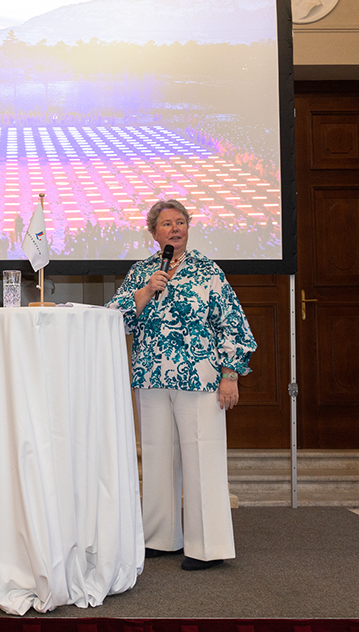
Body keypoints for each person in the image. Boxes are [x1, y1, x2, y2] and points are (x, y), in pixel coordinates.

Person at [106, 199, 256, 571]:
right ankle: (161, 537)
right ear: (153, 232)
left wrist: (230, 374)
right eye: (167, 224)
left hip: (199, 378)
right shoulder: (143, 271)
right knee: (158, 456)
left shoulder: (208, 271)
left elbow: (233, 324)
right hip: (151, 375)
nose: (175, 229)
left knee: (202, 458)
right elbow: (113, 318)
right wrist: (142, 294)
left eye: (181, 222)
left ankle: (209, 547)